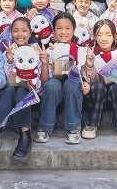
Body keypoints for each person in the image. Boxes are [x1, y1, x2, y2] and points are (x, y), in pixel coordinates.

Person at [0, 18, 46, 159]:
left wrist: (34, 83)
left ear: (30, 32)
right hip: (10, 93)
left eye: (24, 30)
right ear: (11, 33)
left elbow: (42, 80)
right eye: (15, 31)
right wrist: (10, 61)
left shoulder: (36, 50)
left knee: (22, 91)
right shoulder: (8, 51)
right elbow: (6, 80)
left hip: (31, 94)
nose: (20, 34)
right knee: (11, 89)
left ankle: (25, 133)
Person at [34, 12, 86, 145]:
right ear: (53, 31)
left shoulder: (80, 51)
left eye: (67, 28)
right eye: (59, 28)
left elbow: (84, 77)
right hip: (54, 90)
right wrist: (45, 63)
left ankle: (74, 127)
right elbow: (44, 82)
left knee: (72, 84)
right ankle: (45, 126)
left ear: (73, 30)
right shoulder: (49, 51)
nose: (63, 32)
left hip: (73, 91)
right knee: (52, 85)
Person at [80, 19, 117, 140]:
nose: (104, 38)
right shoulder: (90, 53)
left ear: (114, 36)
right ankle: (92, 123)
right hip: (96, 97)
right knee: (98, 86)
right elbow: (88, 80)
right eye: (99, 35)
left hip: (116, 97)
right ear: (94, 36)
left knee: (116, 88)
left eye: (108, 34)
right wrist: (90, 65)